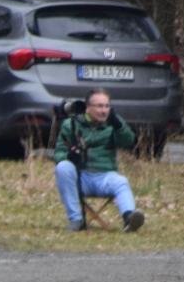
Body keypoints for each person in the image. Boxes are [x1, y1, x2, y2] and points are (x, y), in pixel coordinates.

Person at [53, 92, 144, 233]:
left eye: (107, 106)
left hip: (105, 176)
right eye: (99, 106)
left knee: (121, 182)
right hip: (80, 177)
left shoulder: (114, 123)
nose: (104, 110)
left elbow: (129, 142)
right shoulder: (71, 124)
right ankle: (76, 220)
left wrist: (119, 127)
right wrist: (69, 156)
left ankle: (129, 218)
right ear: (88, 108)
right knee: (63, 167)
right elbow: (58, 153)